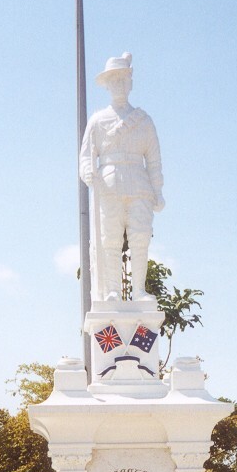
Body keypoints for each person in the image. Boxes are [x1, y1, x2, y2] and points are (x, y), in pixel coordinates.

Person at [79, 53, 165, 302]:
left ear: (130, 83)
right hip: (108, 186)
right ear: (107, 85)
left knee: (140, 238)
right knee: (110, 239)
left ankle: (139, 290)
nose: (119, 85)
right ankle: (114, 290)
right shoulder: (97, 120)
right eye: (113, 80)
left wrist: (158, 190)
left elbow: (154, 160)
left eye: (123, 80)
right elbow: (86, 155)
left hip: (139, 185)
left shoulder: (144, 121)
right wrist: (87, 170)